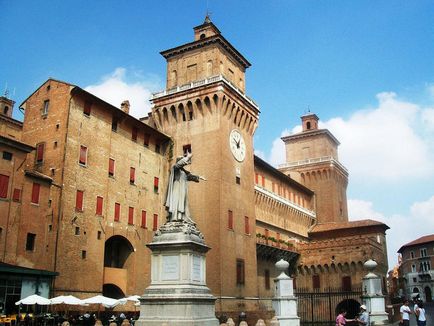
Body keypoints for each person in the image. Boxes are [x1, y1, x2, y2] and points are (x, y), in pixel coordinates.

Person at [164, 152, 206, 224]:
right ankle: (174, 218)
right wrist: (188, 157)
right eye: (182, 160)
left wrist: (199, 177)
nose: (184, 162)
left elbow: (191, 176)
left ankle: (181, 217)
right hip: (176, 188)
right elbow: (179, 164)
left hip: (183, 190)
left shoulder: (184, 172)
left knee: (182, 204)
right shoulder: (175, 168)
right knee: (176, 202)